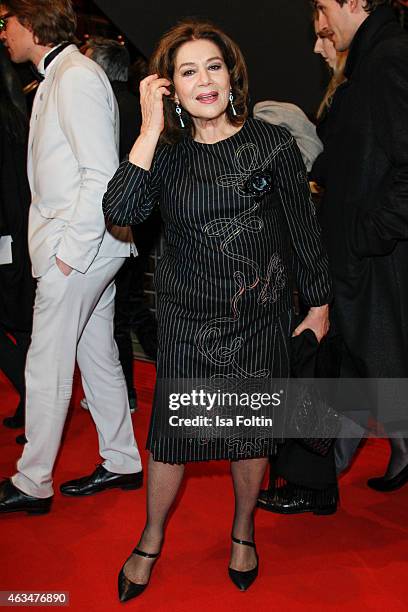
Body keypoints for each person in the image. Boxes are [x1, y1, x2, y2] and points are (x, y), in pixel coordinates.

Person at [103, 19, 331, 600]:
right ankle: (151, 537)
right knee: (175, 437)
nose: (203, 80)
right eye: (187, 72)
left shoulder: (271, 145)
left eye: (212, 66)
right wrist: (149, 128)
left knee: (249, 434)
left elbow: (303, 231)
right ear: (170, 89)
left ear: (231, 77)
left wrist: (319, 303)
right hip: (187, 321)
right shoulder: (169, 158)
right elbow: (121, 210)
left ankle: (243, 530)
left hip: (259, 314)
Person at [0, 0, 143, 516]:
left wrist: (68, 257)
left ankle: (32, 480)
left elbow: (100, 173)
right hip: (92, 247)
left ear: (32, 24)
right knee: (97, 356)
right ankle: (123, 460)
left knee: (45, 363)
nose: (3, 33)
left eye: (6, 22)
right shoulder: (63, 73)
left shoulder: (75, 77)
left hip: (81, 248)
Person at [312, 0, 408, 492]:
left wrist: (368, 232)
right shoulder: (374, 60)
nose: (321, 25)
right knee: (360, 367)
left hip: (374, 257)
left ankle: (318, 478)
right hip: (360, 255)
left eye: (323, 7)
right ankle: (320, 476)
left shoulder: (389, 58)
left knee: (364, 368)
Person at [81, 37, 160, 413]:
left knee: (118, 310)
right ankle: (166, 379)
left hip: (118, 221)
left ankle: (126, 393)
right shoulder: (134, 106)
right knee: (130, 306)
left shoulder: (104, 107)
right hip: (143, 221)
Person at [0, 41, 35, 433]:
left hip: (9, 234)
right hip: (22, 231)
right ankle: (32, 398)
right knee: (23, 323)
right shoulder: (20, 116)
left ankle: (32, 393)